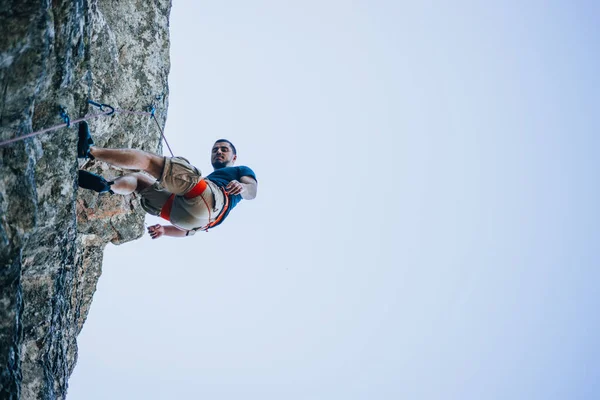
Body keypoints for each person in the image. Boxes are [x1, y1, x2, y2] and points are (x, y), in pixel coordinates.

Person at [76, 121, 257, 239]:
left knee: (149, 162)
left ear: (234, 157)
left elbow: (252, 191)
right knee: (140, 182)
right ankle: (107, 186)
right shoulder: (213, 180)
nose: (218, 151)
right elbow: (187, 231)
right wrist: (164, 230)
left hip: (211, 202)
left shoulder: (241, 170)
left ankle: (91, 150)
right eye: (215, 149)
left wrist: (242, 186)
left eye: (224, 149)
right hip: (188, 220)